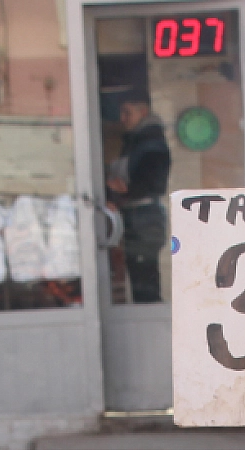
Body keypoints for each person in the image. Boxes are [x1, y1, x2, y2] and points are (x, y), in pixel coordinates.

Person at [106, 95, 171, 304]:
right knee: (139, 281)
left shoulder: (152, 144)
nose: (122, 118)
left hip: (145, 220)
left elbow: (153, 183)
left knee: (145, 285)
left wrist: (125, 191)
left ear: (143, 112)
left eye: (128, 112)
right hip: (136, 218)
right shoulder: (134, 141)